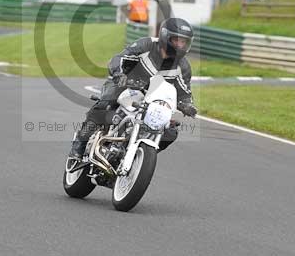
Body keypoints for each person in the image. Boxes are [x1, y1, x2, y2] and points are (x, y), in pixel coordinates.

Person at [68, 17, 198, 160]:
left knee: (170, 131)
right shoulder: (146, 45)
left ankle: (140, 155)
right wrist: (118, 73)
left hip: (152, 100)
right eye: (177, 41)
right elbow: (119, 58)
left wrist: (188, 105)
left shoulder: (183, 66)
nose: (181, 45)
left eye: (184, 42)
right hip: (124, 84)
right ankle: (80, 143)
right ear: (166, 37)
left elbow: (184, 91)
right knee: (105, 104)